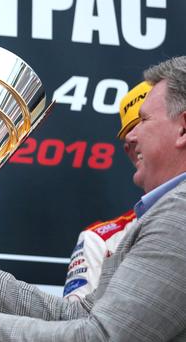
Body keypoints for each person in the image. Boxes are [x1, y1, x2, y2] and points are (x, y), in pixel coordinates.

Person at [0, 56, 186, 342]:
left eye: (143, 120)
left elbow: (103, 337)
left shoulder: (178, 214)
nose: (132, 135)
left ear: (182, 129)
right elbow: (80, 316)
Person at [63, 81, 151, 300]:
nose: (131, 138)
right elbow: (75, 326)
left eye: (143, 122)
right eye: (128, 130)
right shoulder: (100, 240)